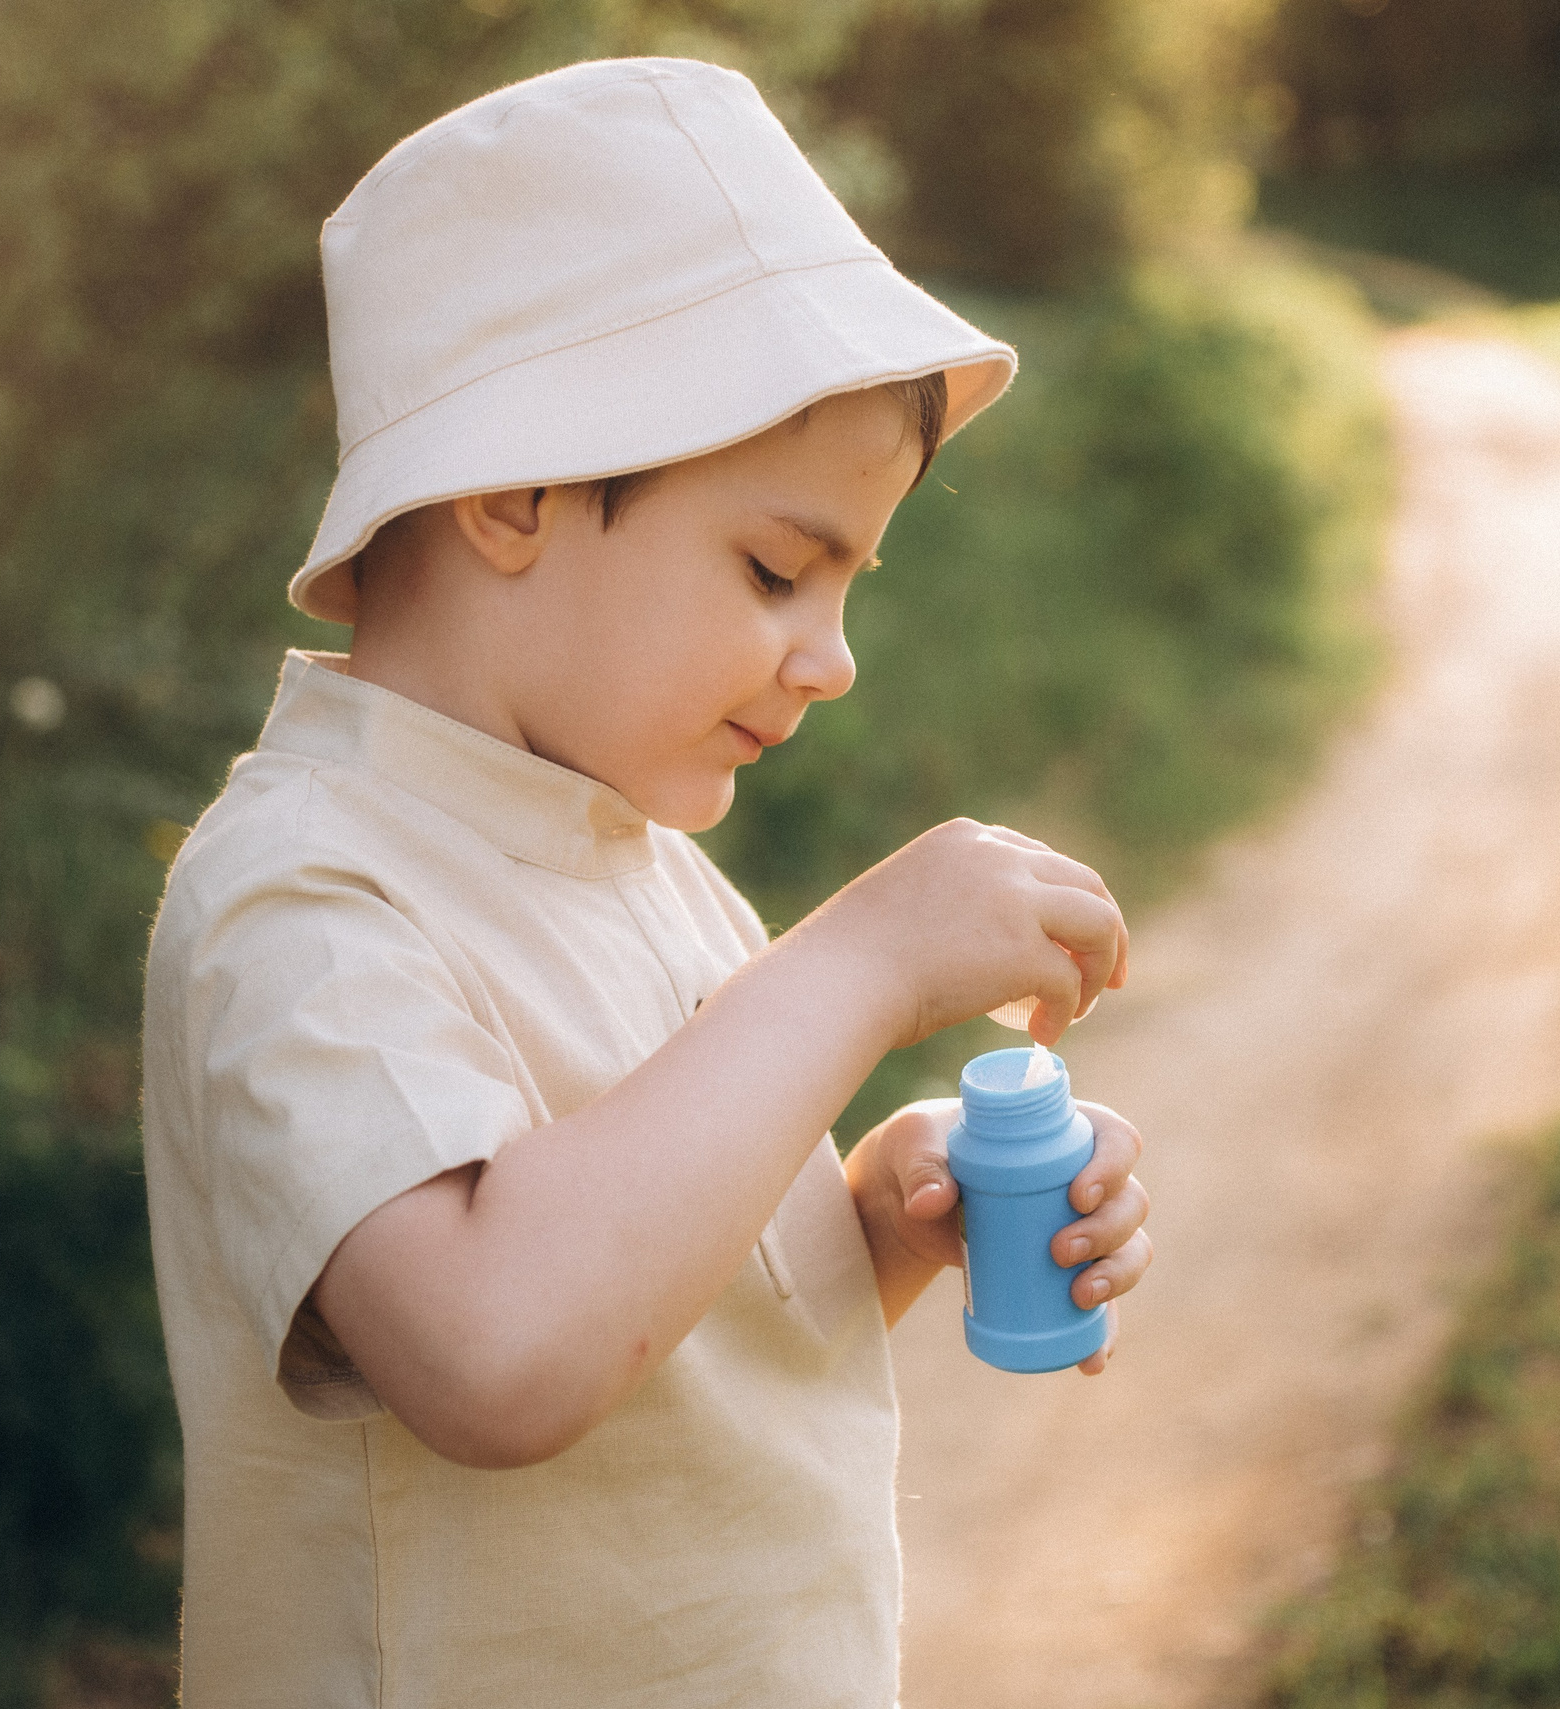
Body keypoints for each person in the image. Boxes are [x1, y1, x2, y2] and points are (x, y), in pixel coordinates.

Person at [141, 56, 1155, 1707]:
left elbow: (680, 1310)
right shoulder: (305, 902)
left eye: (849, 586)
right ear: (515, 492)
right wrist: (861, 964)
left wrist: (894, 1208)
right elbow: (497, 1349)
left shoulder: (641, 868)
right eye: (777, 568)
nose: (830, 660)